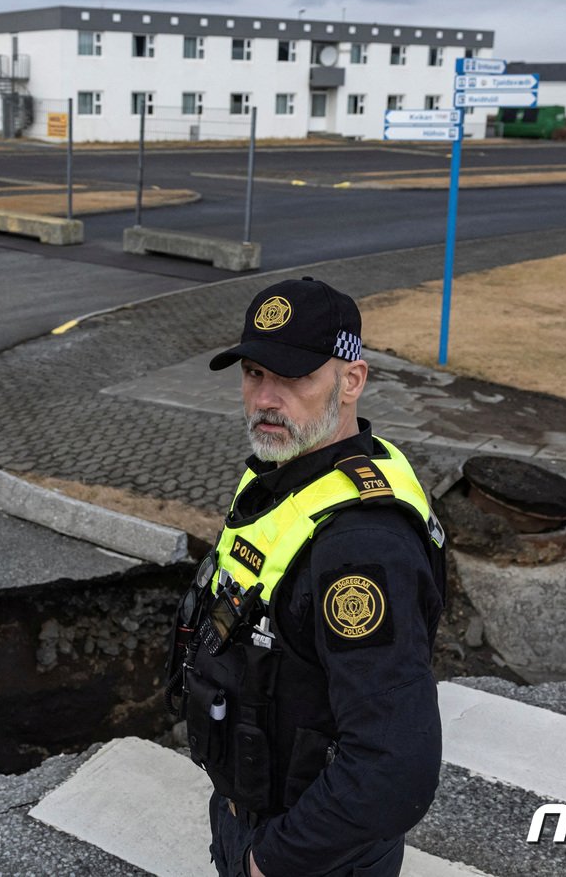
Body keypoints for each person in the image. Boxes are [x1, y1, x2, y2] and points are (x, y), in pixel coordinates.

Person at [166, 276, 447, 877]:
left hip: (312, 854)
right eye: (253, 374)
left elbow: (396, 768)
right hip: (253, 811)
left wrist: (270, 862)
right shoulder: (285, 476)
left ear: (351, 380)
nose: (266, 398)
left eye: (292, 378)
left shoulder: (360, 547)